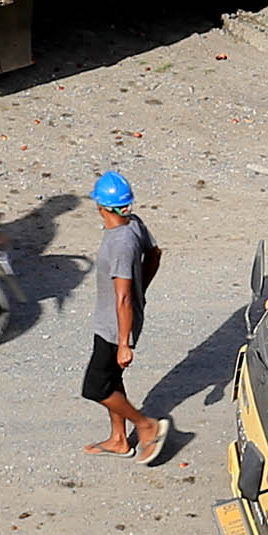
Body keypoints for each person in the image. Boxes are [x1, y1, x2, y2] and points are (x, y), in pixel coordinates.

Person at [84, 169, 165, 464]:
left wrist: (123, 343)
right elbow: (155, 254)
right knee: (112, 379)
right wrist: (141, 288)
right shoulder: (134, 225)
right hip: (115, 321)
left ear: (101, 206)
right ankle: (119, 440)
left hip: (115, 326)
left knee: (96, 387)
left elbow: (123, 297)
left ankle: (146, 425)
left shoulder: (120, 244)